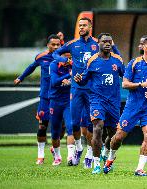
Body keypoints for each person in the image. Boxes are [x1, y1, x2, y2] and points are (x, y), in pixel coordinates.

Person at [53, 18, 120, 167]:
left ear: (90, 26)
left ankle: (90, 156)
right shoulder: (72, 44)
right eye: (80, 25)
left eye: (84, 25)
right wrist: (65, 60)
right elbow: (55, 54)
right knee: (74, 123)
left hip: (93, 90)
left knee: (93, 126)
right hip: (76, 88)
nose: (81, 27)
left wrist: (113, 47)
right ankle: (78, 148)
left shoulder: (98, 42)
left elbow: (117, 56)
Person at [103, 35, 147, 176]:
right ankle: (110, 156)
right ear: (144, 47)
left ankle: (139, 168)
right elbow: (125, 84)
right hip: (132, 107)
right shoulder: (134, 63)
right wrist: (140, 84)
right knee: (118, 137)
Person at [74, 33, 124, 174]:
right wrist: (79, 79)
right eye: (104, 41)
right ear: (98, 44)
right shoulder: (92, 60)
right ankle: (96, 164)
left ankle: (106, 153)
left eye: (110, 42)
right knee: (97, 127)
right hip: (97, 100)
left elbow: (125, 77)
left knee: (113, 133)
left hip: (113, 102)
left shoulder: (117, 60)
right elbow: (84, 79)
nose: (107, 44)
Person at [14, 34, 61, 165]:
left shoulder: (65, 58)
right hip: (46, 97)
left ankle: (57, 154)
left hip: (60, 97)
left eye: (58, 44)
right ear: (48, 45)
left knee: (60, 127)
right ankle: (40, 155)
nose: (56, 47)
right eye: (53, 44)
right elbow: (31, 67)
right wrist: (21, 78)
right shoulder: (42, 57)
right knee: (42, 126)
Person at [48, 53, 75, 166]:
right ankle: (57, 157)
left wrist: (71, 81)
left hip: (68, 101)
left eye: (70, 57)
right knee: (55, 132)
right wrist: (68, 76)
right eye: (66, 57)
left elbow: (79, 80)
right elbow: (54, 82)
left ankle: (70, 157)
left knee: (70, 127)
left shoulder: (73, 66)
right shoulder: (53, 65)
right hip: (54, 101)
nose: (68, 59)